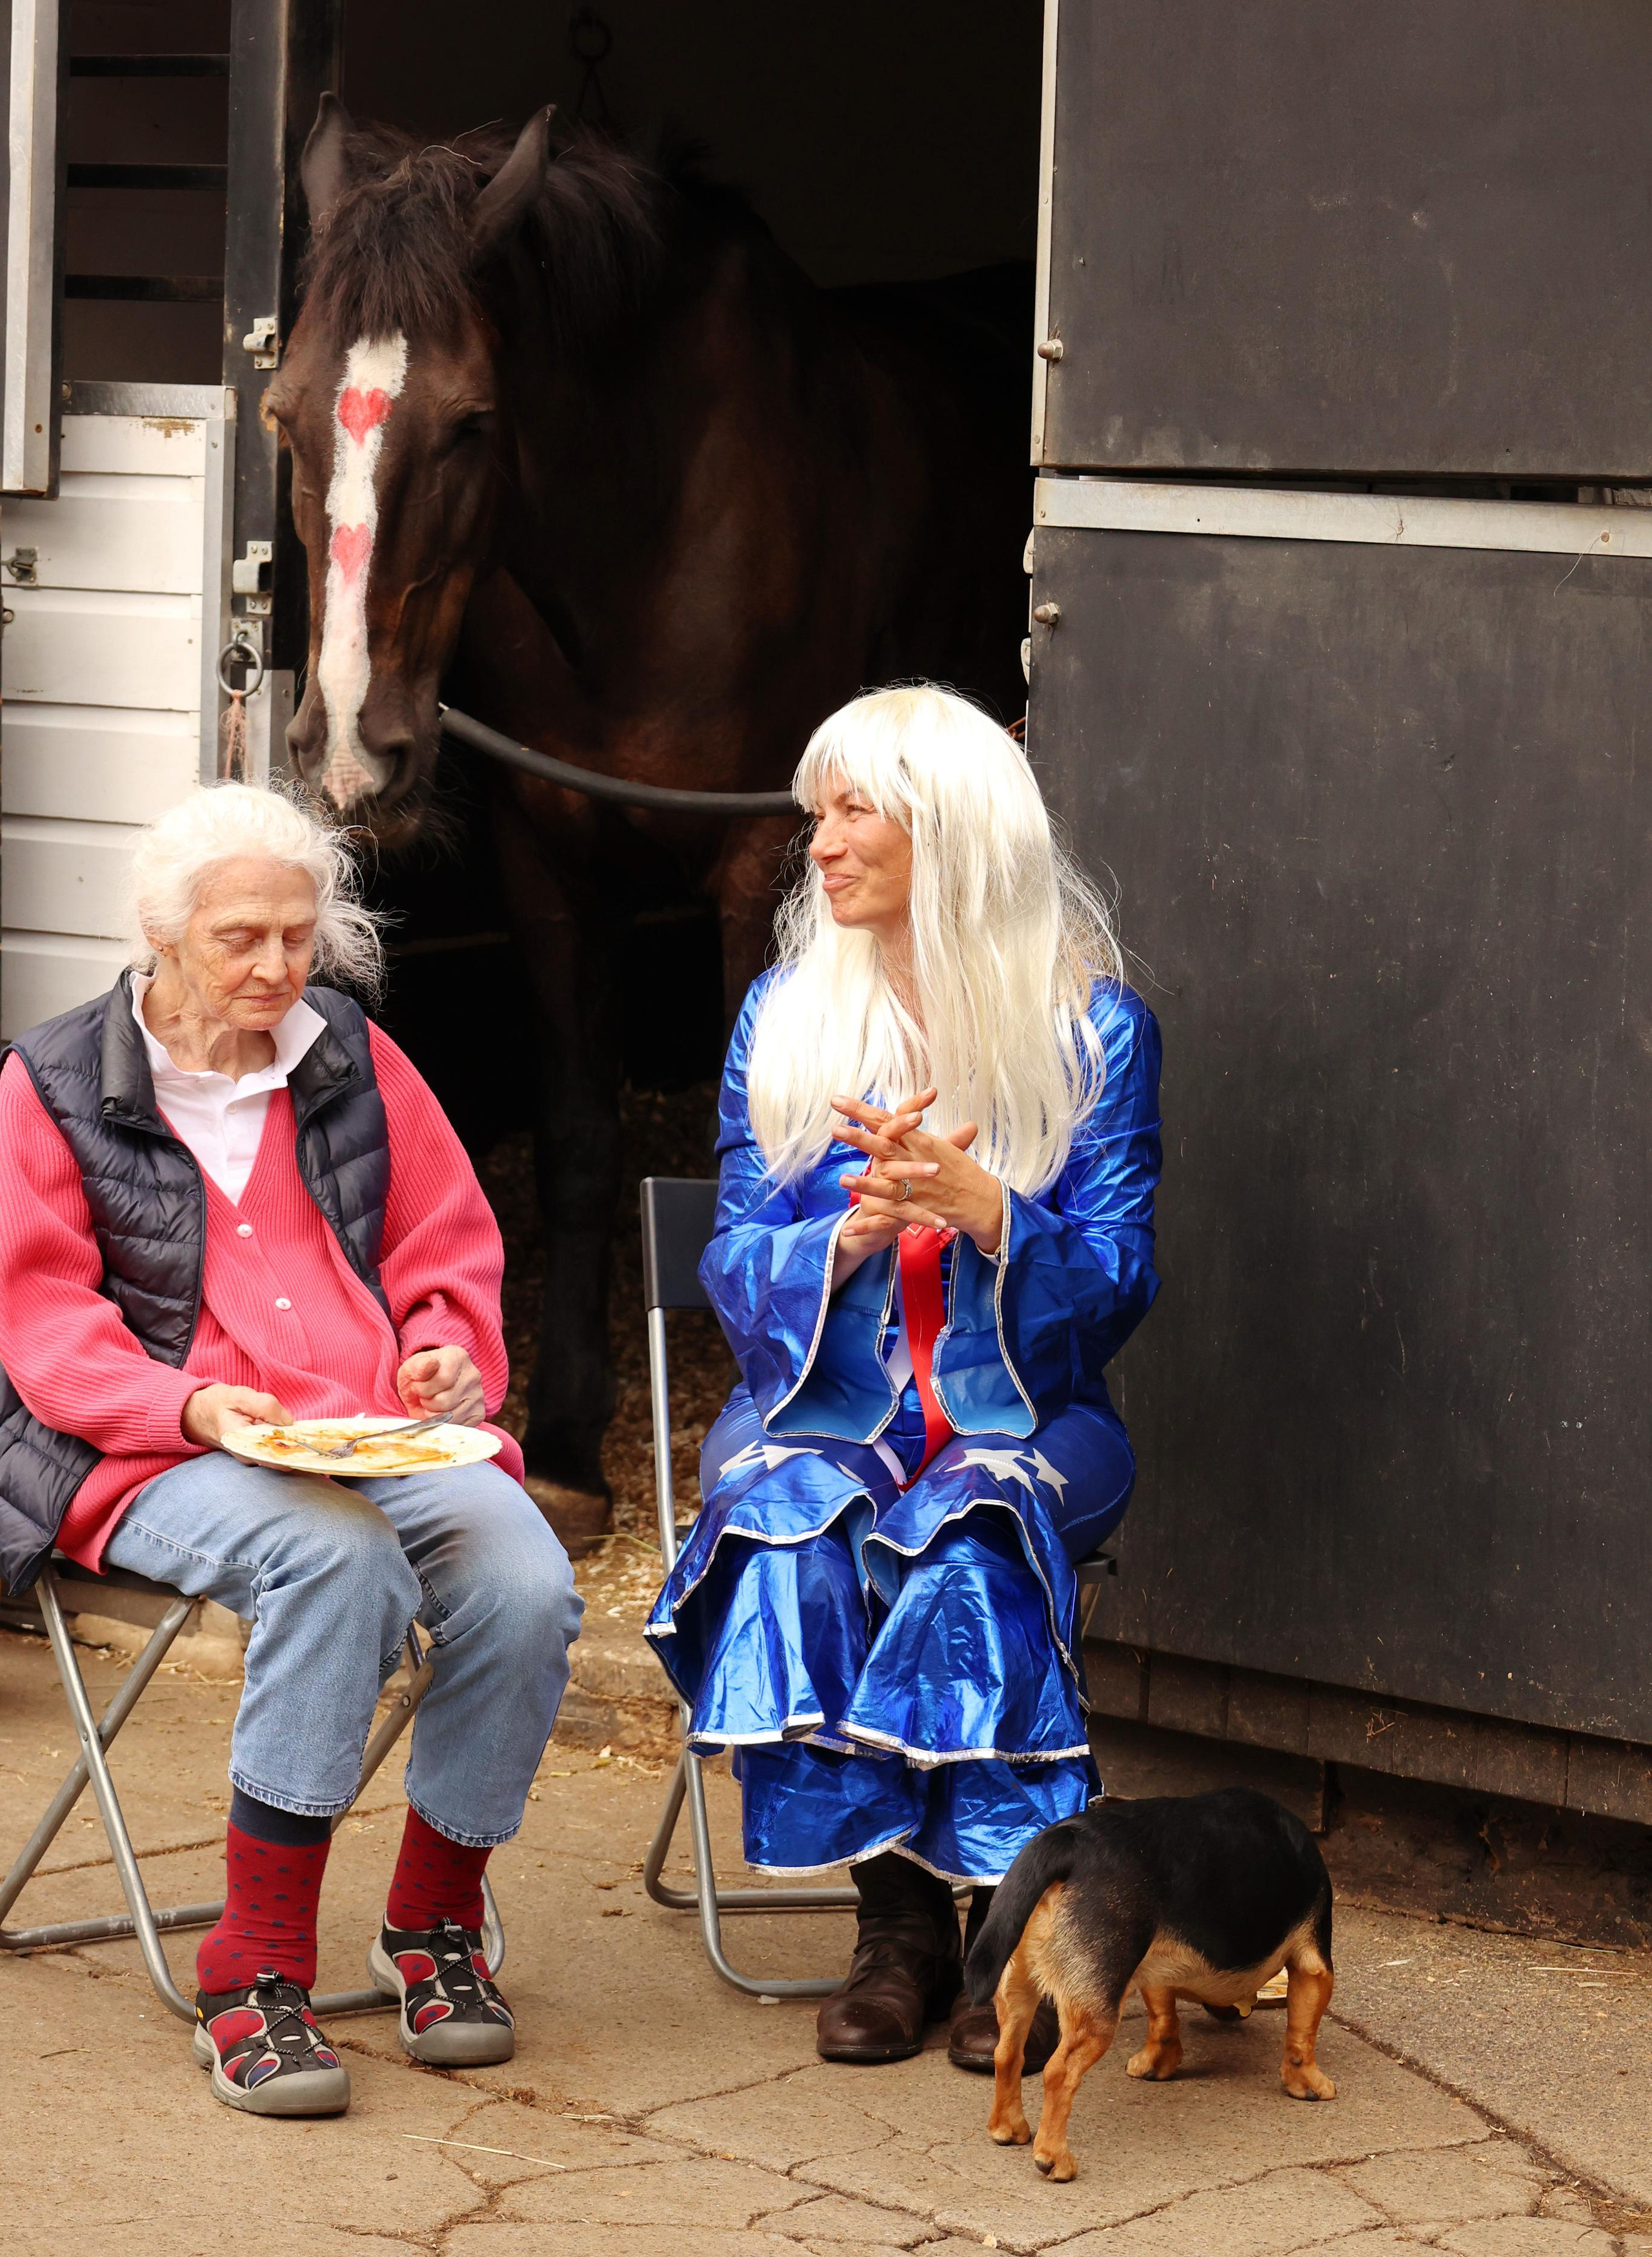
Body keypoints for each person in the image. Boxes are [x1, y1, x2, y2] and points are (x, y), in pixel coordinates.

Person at [0, 782, 581, 2116]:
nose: (274, 968)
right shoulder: (51, 1083)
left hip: (363, 1427)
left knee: (522, 1577)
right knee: (339, 1564)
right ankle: (251, 1967)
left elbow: (445, 1248)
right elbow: (45, 1331)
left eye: (296, 938)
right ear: (164, 938)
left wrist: (444, 1354)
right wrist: (193, 1408)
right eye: (239, 939)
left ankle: (431, 1925)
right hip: (143, 1448)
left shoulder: (353, 1056)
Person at [647, 683, 1162, 2067]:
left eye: (856, 808)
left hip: (1032, 1414)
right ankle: (896, 1929)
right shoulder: (784, 1014)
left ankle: (1008, 1927)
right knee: (793, 1511)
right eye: (816, 812)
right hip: (830, 1400)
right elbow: (737, 1252)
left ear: (954, 830)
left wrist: (991, 1212)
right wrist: (846, 1236)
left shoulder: (1092, 1033)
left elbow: (1116, 1283)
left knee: (970, 1530)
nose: (818, 842)